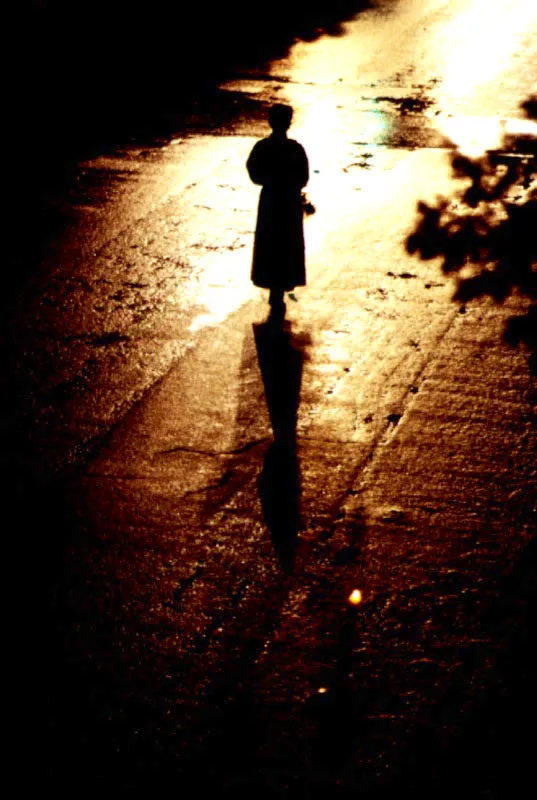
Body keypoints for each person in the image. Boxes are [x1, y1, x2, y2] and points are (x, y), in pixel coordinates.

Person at [247, 104, 309, 316]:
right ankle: (280, 288)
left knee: (270, 243)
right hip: (288, 201)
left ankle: (274, 287)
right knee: (286, 244)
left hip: (271, 199)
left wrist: (270, 180)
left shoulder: (262, 147)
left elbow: (253, 172)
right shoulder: (295, 149)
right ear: (289, 123)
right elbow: (303, 178)